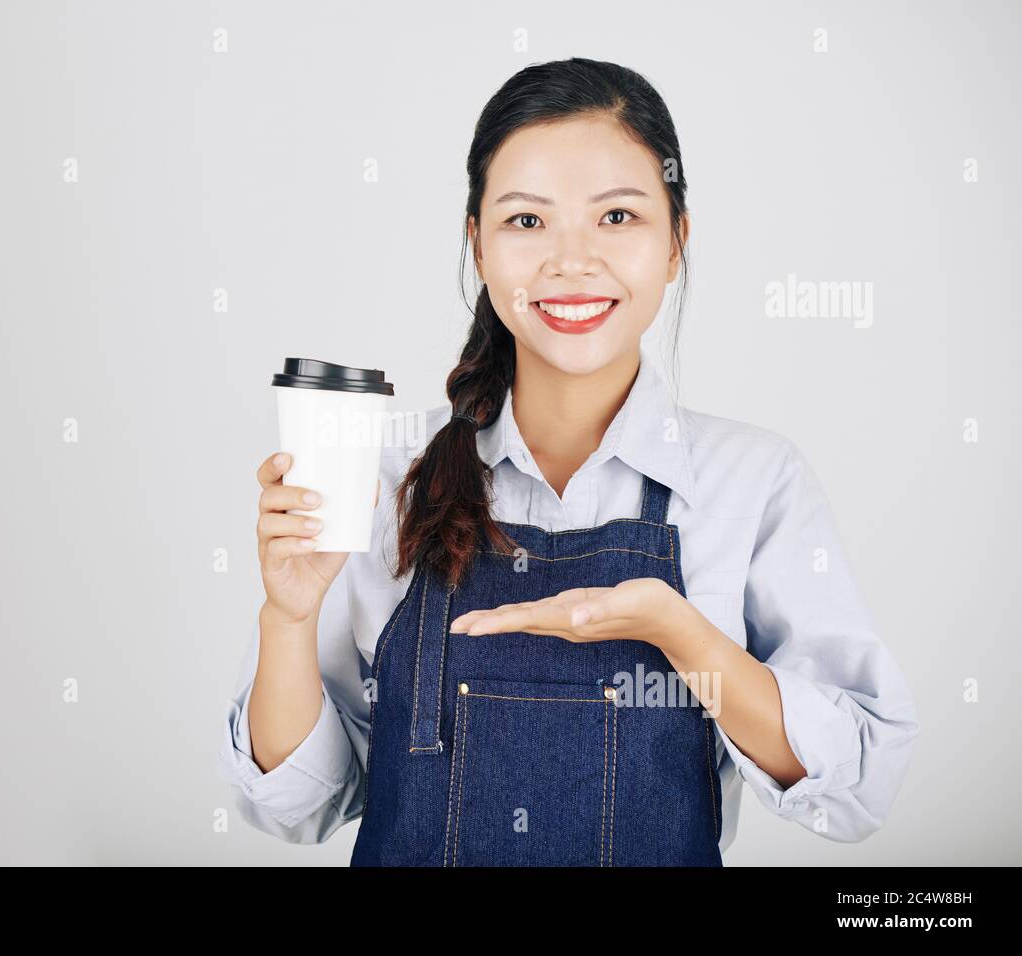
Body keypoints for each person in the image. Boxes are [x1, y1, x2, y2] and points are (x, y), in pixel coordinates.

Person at [220, 57, 919, 866]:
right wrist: (289, 618)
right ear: (477, 244)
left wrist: (683, 637)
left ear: (675, 243)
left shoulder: (753, 481)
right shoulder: (381, 475)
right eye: (526, 221)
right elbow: (295, 804)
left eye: (617, 217)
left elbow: (860, 785)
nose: (571, 260)